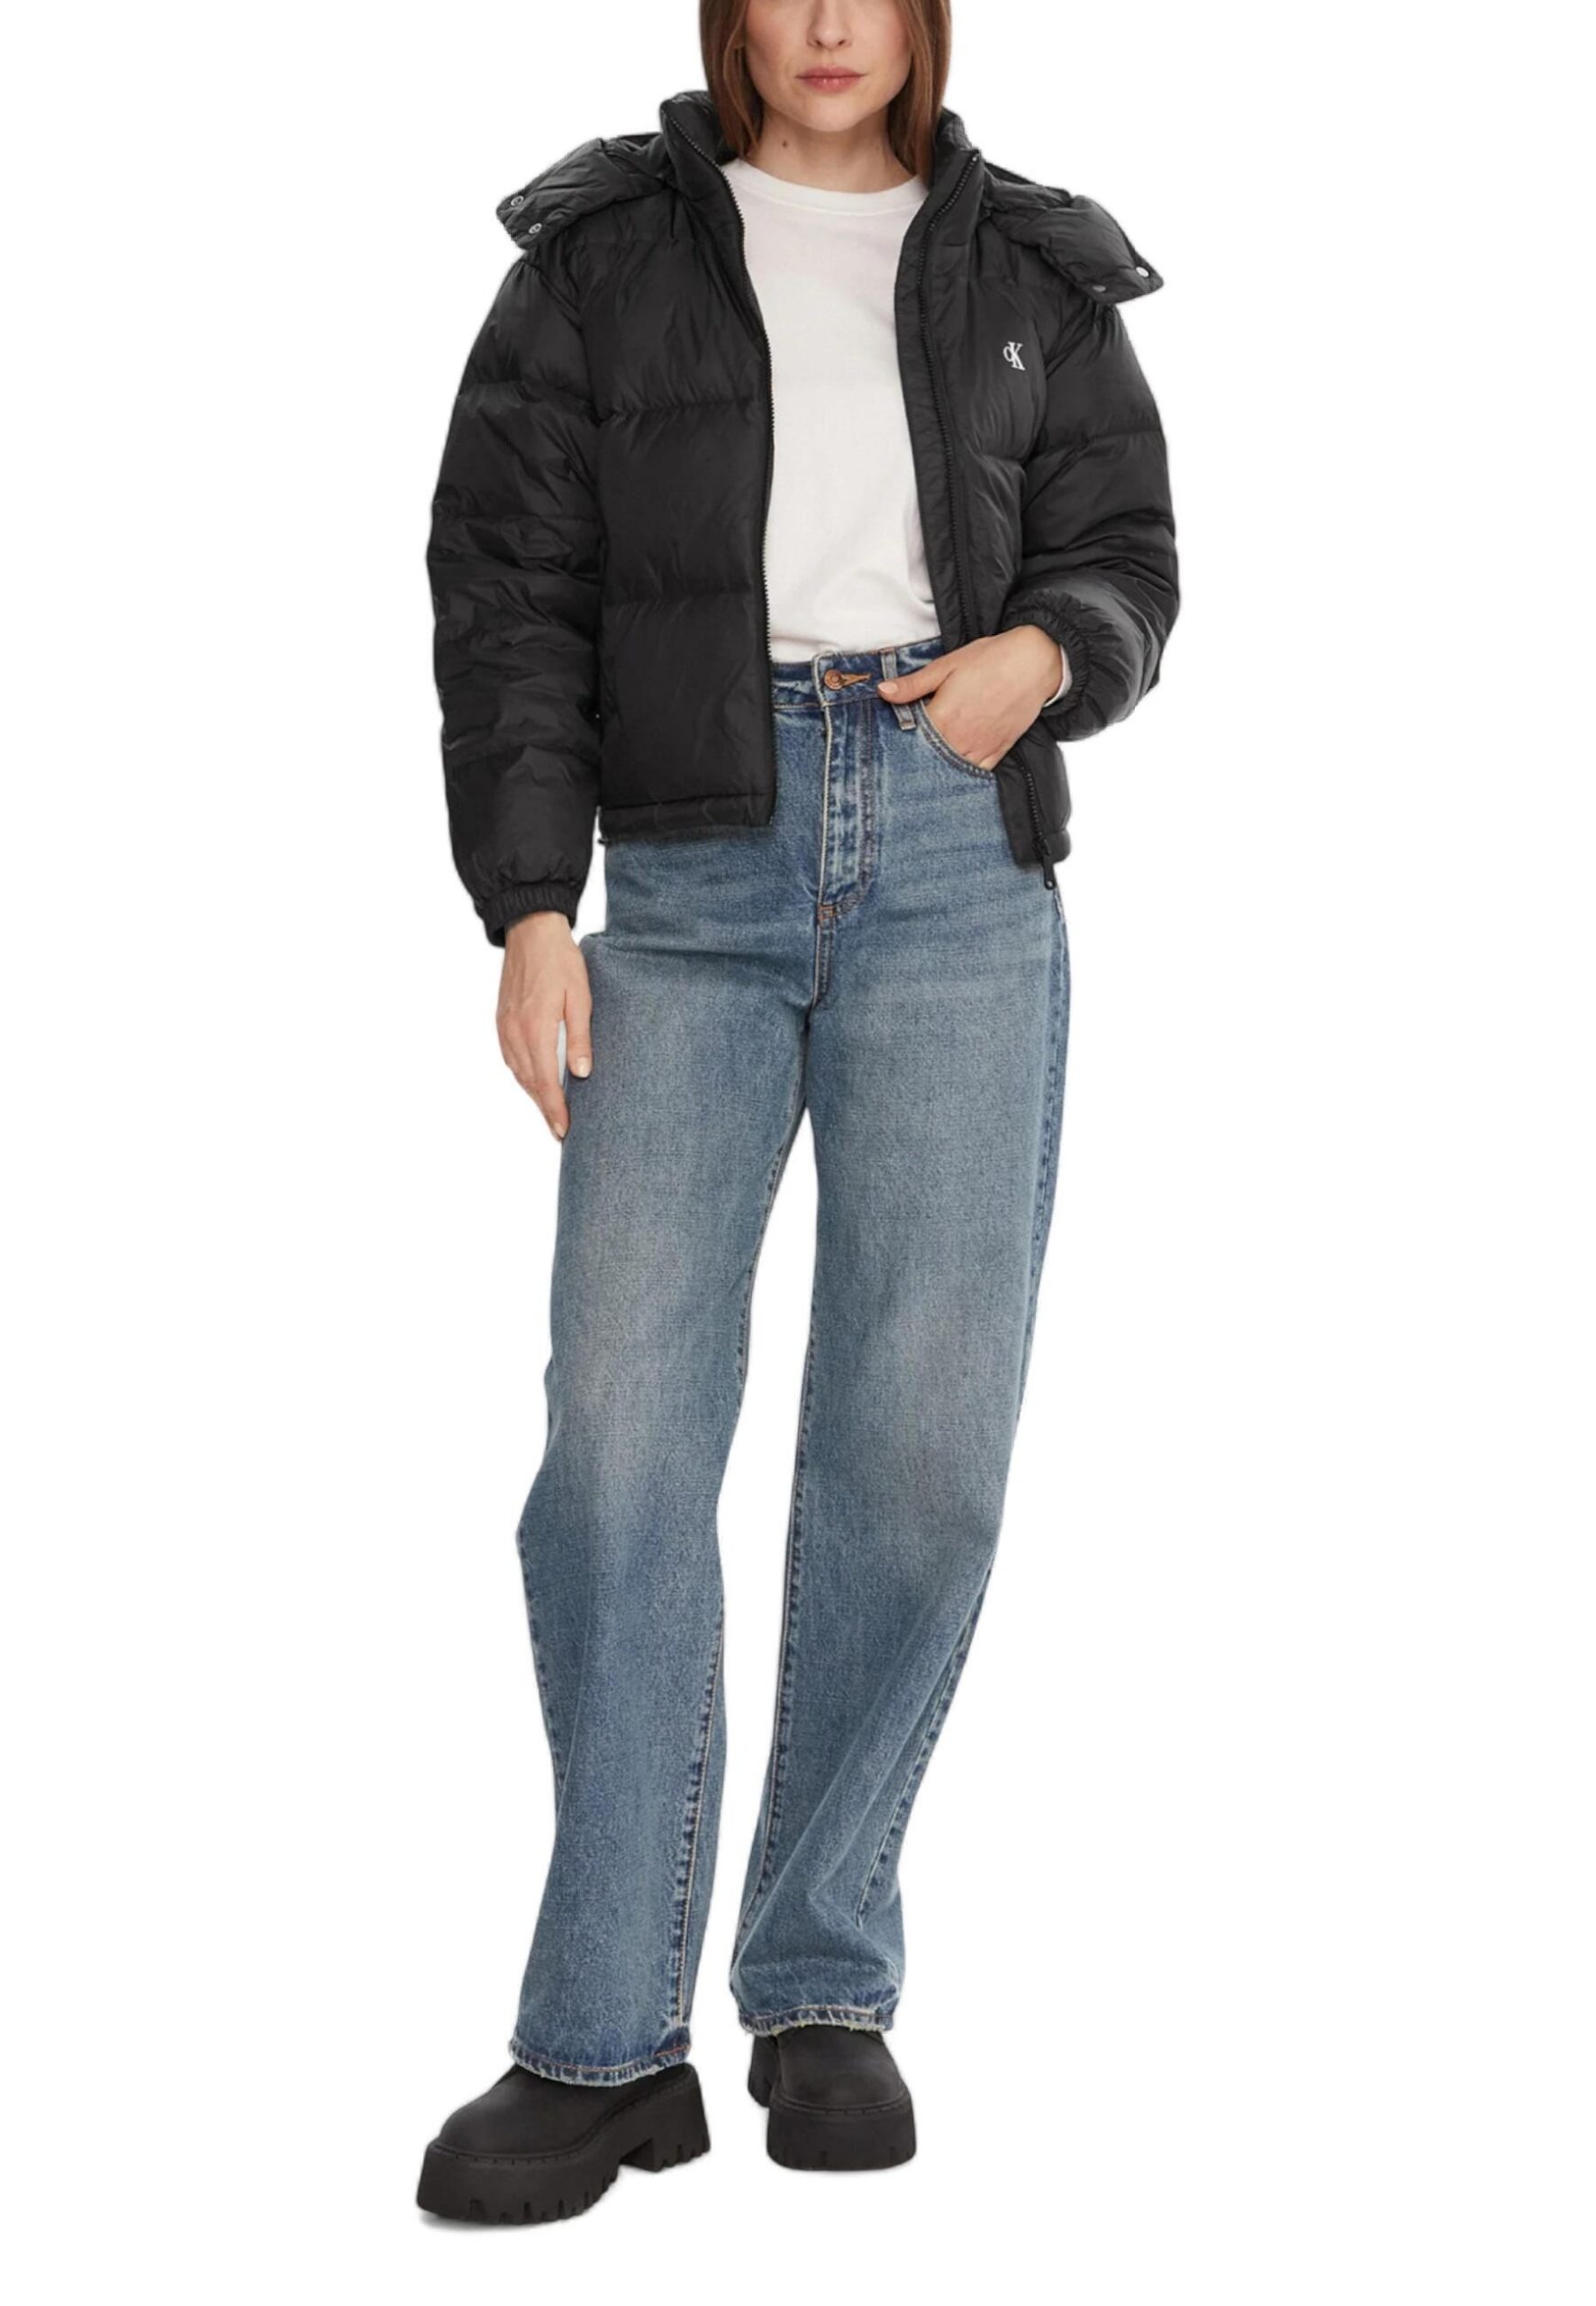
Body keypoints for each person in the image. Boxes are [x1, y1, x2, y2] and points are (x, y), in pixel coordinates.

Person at [417, 0, 1176, 2224]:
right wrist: (528, 902)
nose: (828, 22)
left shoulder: (1030, 263)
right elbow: (507, 592)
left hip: (957, 866)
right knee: (621, 1451)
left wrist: (1051, 653)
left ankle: (821, 1979)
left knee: (914, 1449)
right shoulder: (596, 260)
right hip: (682, 881)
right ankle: (604, 2035)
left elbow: (1126, 548)